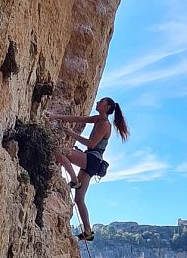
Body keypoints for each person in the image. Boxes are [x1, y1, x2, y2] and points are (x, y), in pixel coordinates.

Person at [48, 96, 129, 242]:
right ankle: (88, 231)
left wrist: (72, 134)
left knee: (60, 152)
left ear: (107, 107)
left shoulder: (104, 124)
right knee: (79, 199)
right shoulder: (98, 119)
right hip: (92, 162)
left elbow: (91, 144)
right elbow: (79, 119)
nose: (97, 102)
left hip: (92, 159)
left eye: (101, 101)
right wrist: (56, 116)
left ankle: (74, 180)